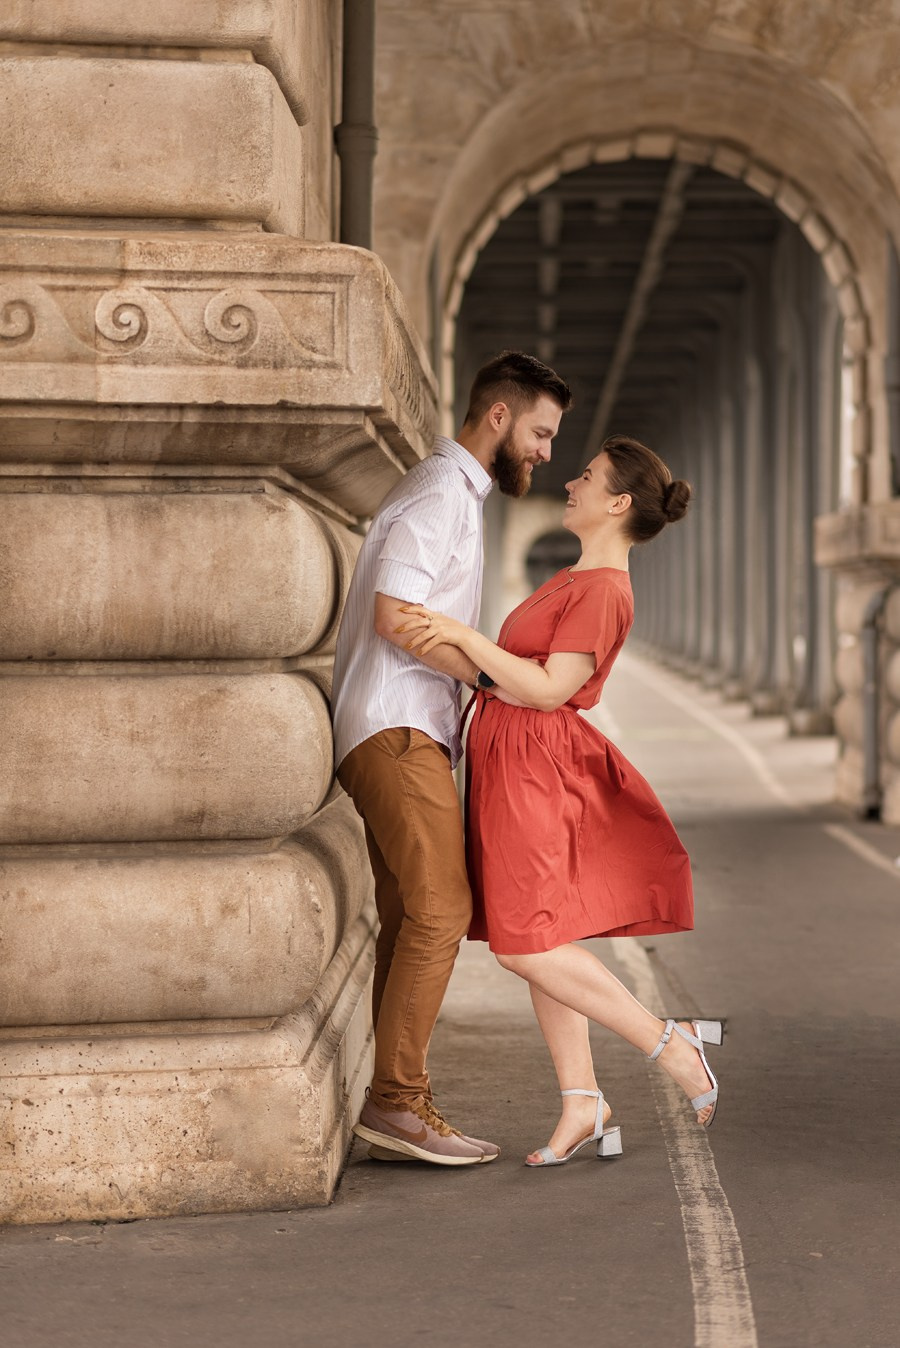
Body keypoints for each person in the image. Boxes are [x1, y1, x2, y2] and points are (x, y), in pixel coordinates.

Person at [397, 434, 722, 1167]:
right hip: (513, 759)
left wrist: (462, 637)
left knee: (525, 944)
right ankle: (582, 1101)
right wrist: (482, 669)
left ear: (618, 503)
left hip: (533, 767)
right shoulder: (577, 577)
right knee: (539, 933)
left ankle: (672, 1044)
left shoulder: (602, 590)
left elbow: (549, 689)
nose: (570, 483)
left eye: (587, 477)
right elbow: (518, 679)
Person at [331, 350, 574, 1166]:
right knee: (443, 908)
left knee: (410, 915)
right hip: (396, 727)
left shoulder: (456, 496)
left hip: (398, 728)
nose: (546, 452)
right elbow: (396, 615)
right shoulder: (440, 492)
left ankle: (395, 1101)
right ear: (499, 416)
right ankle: (397, 1102)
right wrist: (492, 678)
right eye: (540, 432)